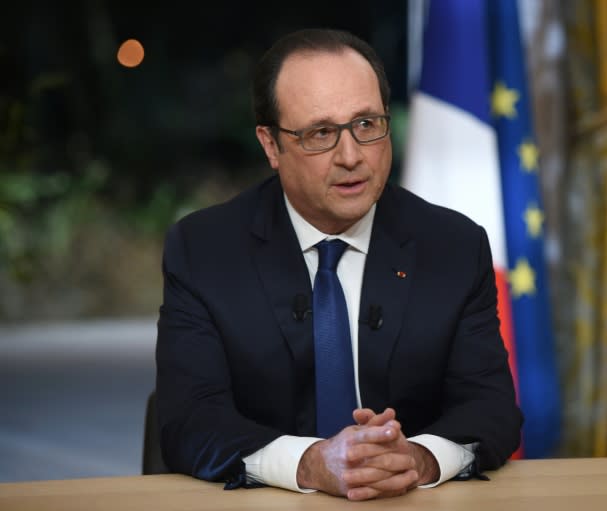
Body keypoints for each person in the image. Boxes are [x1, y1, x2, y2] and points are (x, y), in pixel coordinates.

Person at [156, 28, 522, 501]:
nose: (351, 156)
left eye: (367, 125)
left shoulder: (453, 246)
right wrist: (310, 465)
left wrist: (416, 458)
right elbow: (188, 420)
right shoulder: (204, 250)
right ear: (271, 145)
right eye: (320, 133)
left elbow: (492, 410)